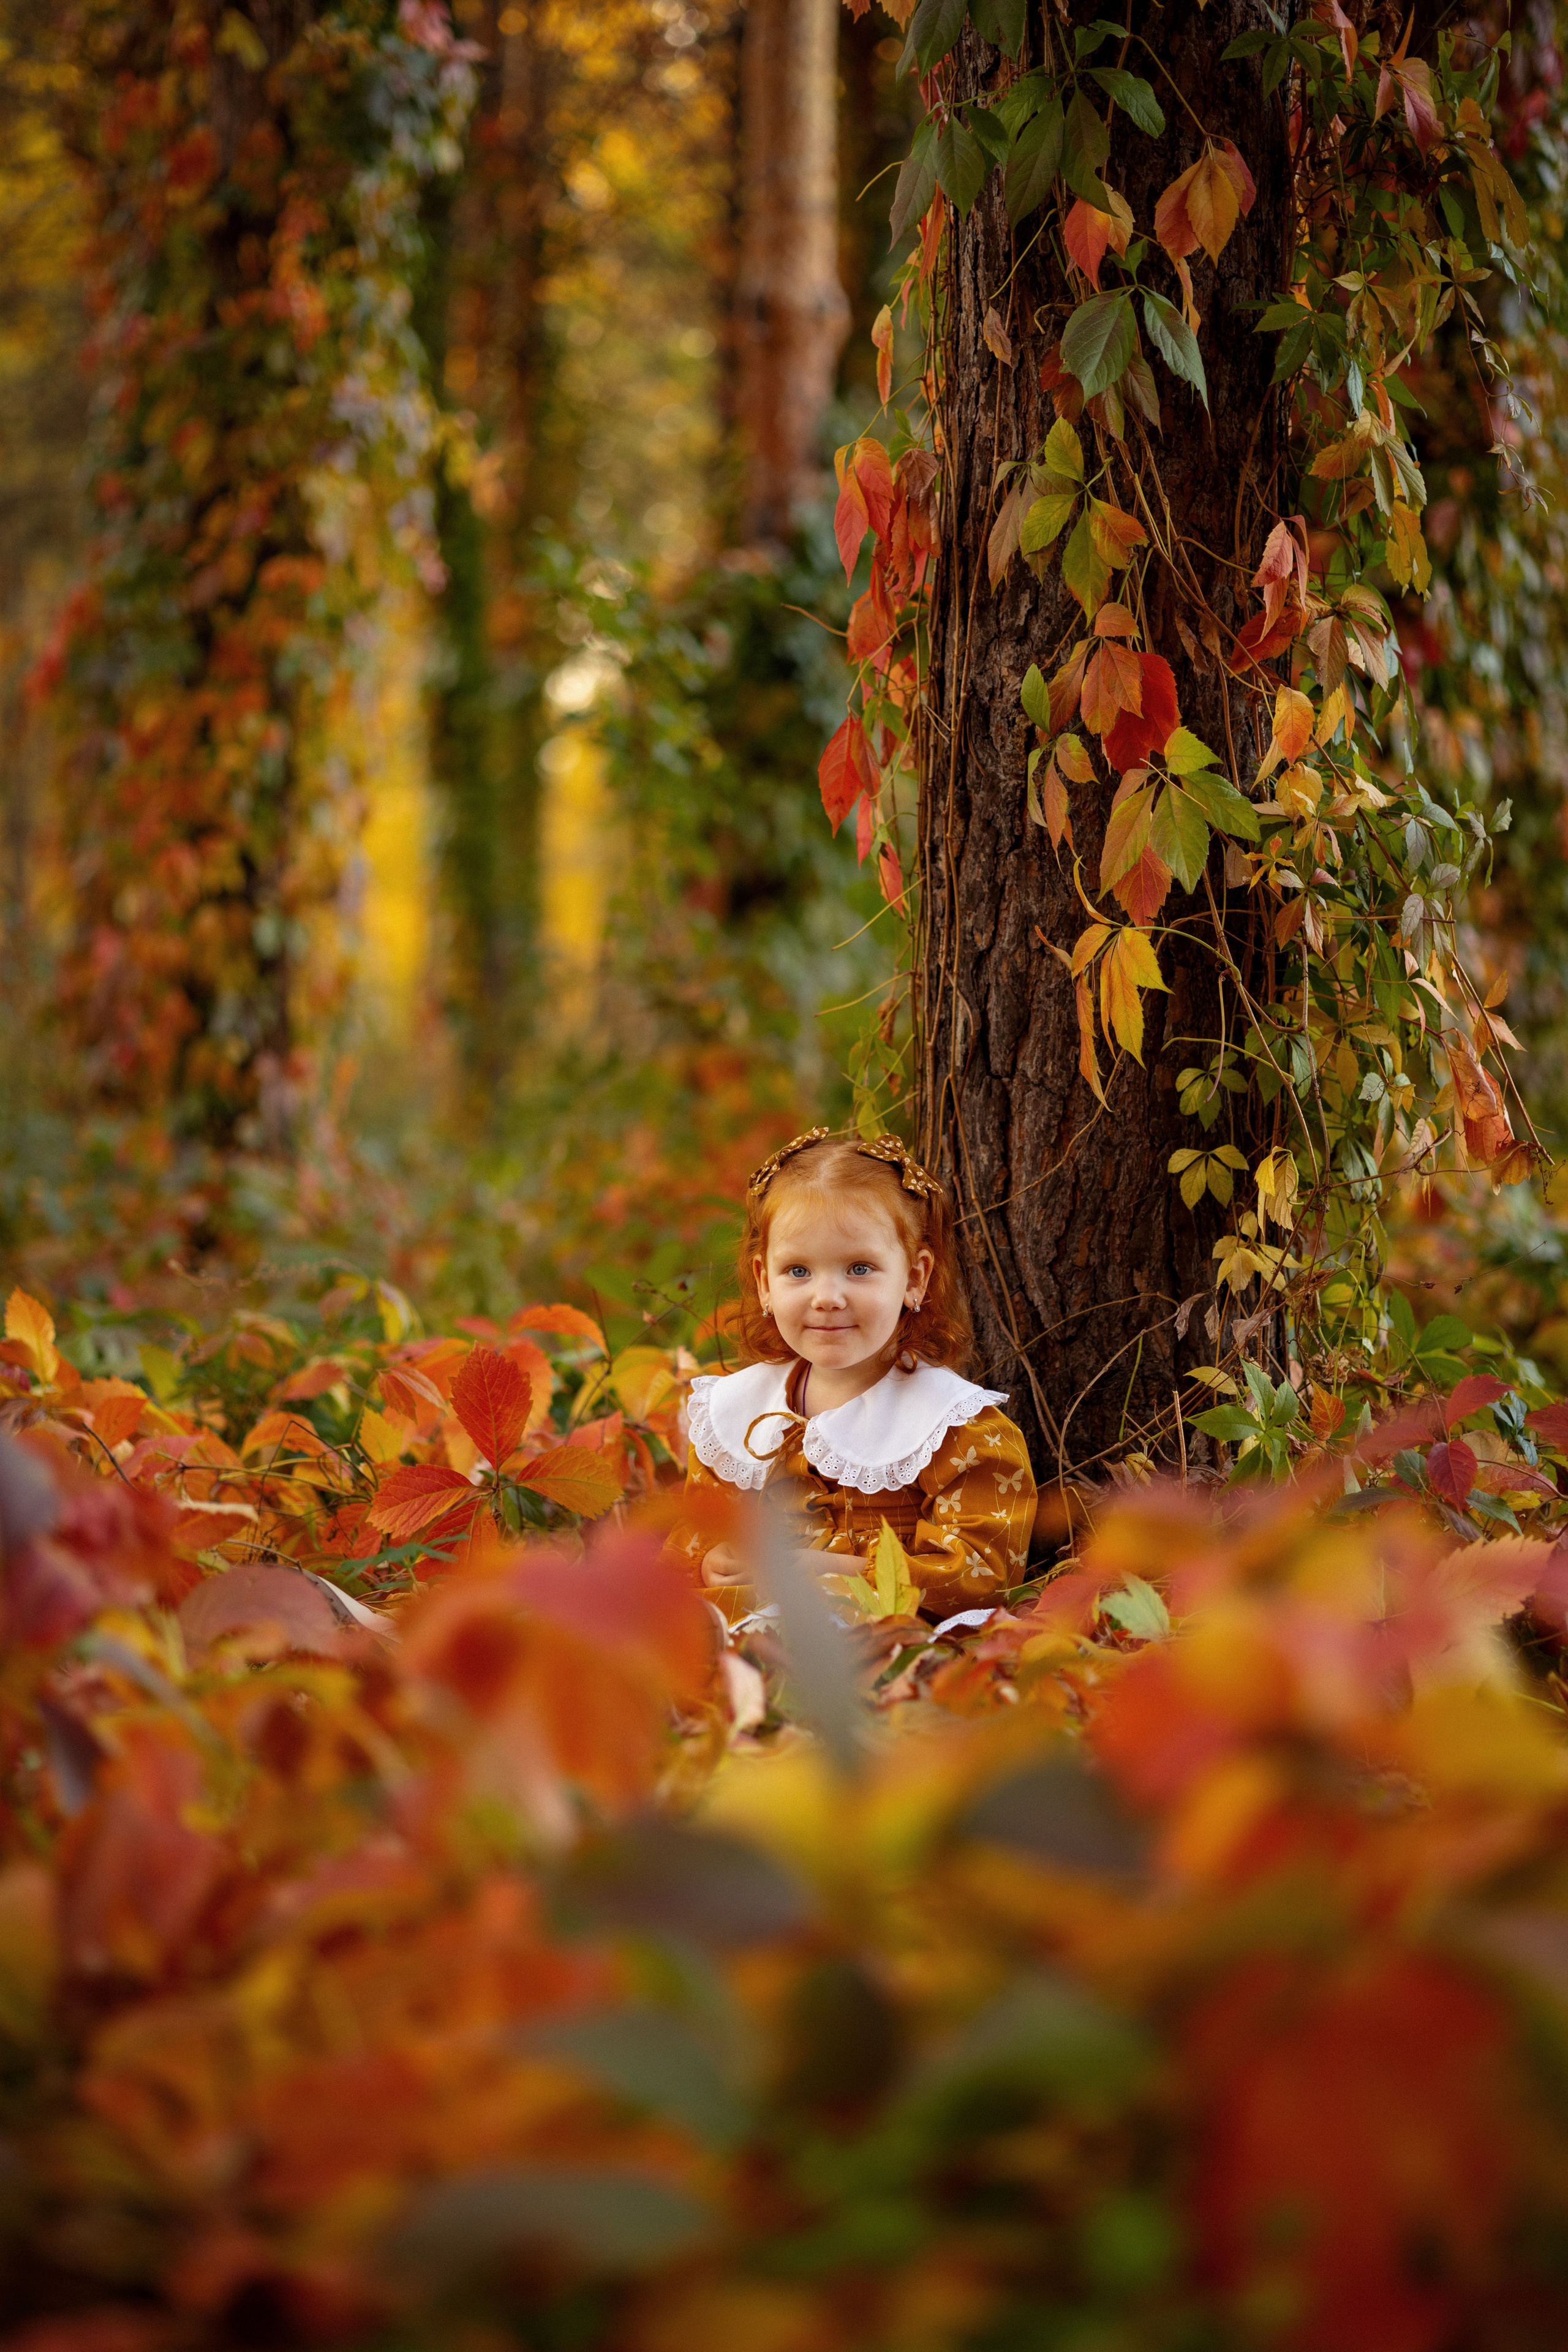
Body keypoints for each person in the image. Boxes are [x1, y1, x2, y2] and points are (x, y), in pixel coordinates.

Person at [676, 1126, 1037, 1622]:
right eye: (798, 1271)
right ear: (764, 1282)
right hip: (750, 1624)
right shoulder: (737, 1413)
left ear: (914, 1278)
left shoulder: (954, 1428)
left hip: (883, 1628)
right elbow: (693, 1537)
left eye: (860, 1268)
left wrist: (830, 1569)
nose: (827, 1297)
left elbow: (979, 1575)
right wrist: (711, 1561)